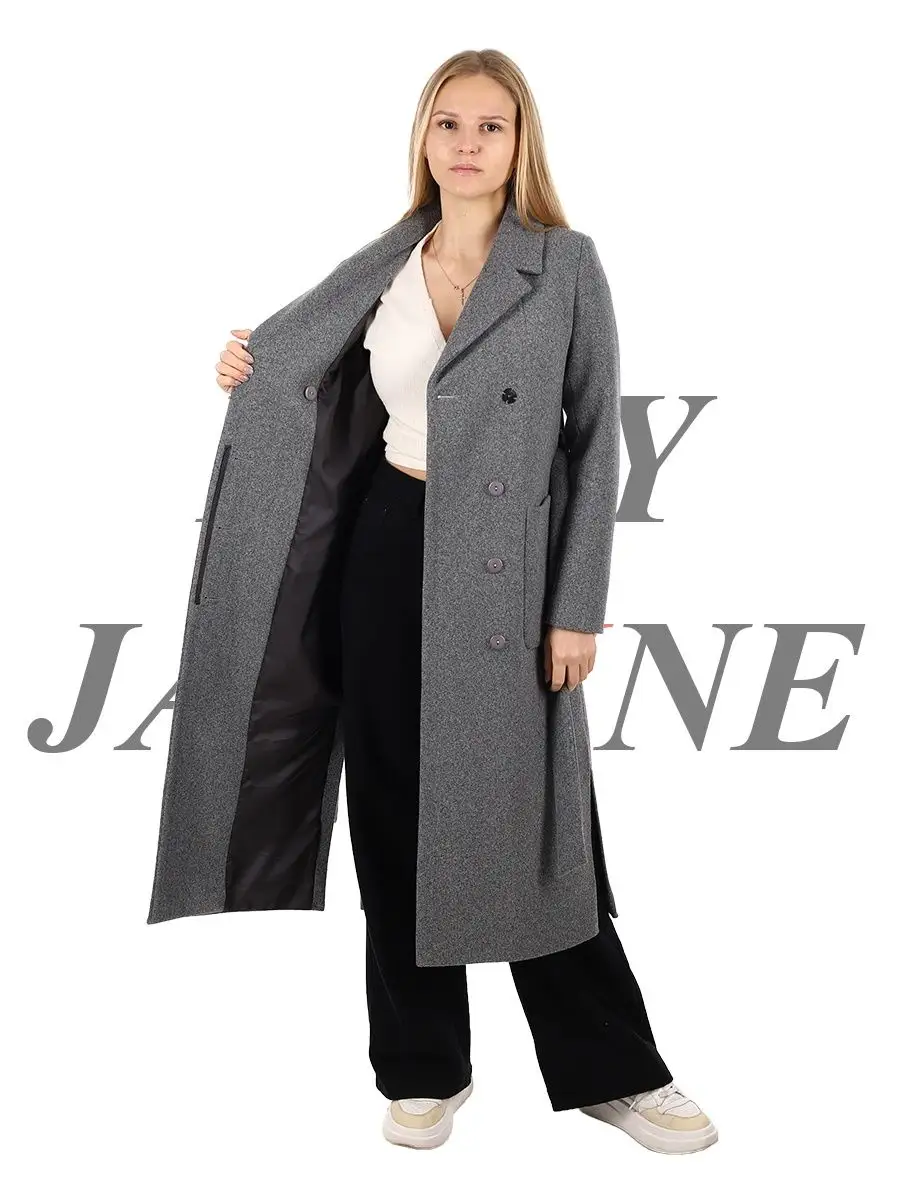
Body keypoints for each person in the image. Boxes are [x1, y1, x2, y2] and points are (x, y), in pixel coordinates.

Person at [212, 50, 717, 1154]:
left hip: (510, 572)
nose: (469, 144)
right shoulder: (384, 262)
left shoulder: (563, 263)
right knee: (392, 810)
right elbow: (304, 373)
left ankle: (616, 1073)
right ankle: (423, 1066)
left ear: (520, 141)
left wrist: (575, 606)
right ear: (424, 138)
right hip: (386, 548)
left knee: (536, 825)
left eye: (492, 125)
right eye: (450, 123)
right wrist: (246, 364)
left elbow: (598, 443)